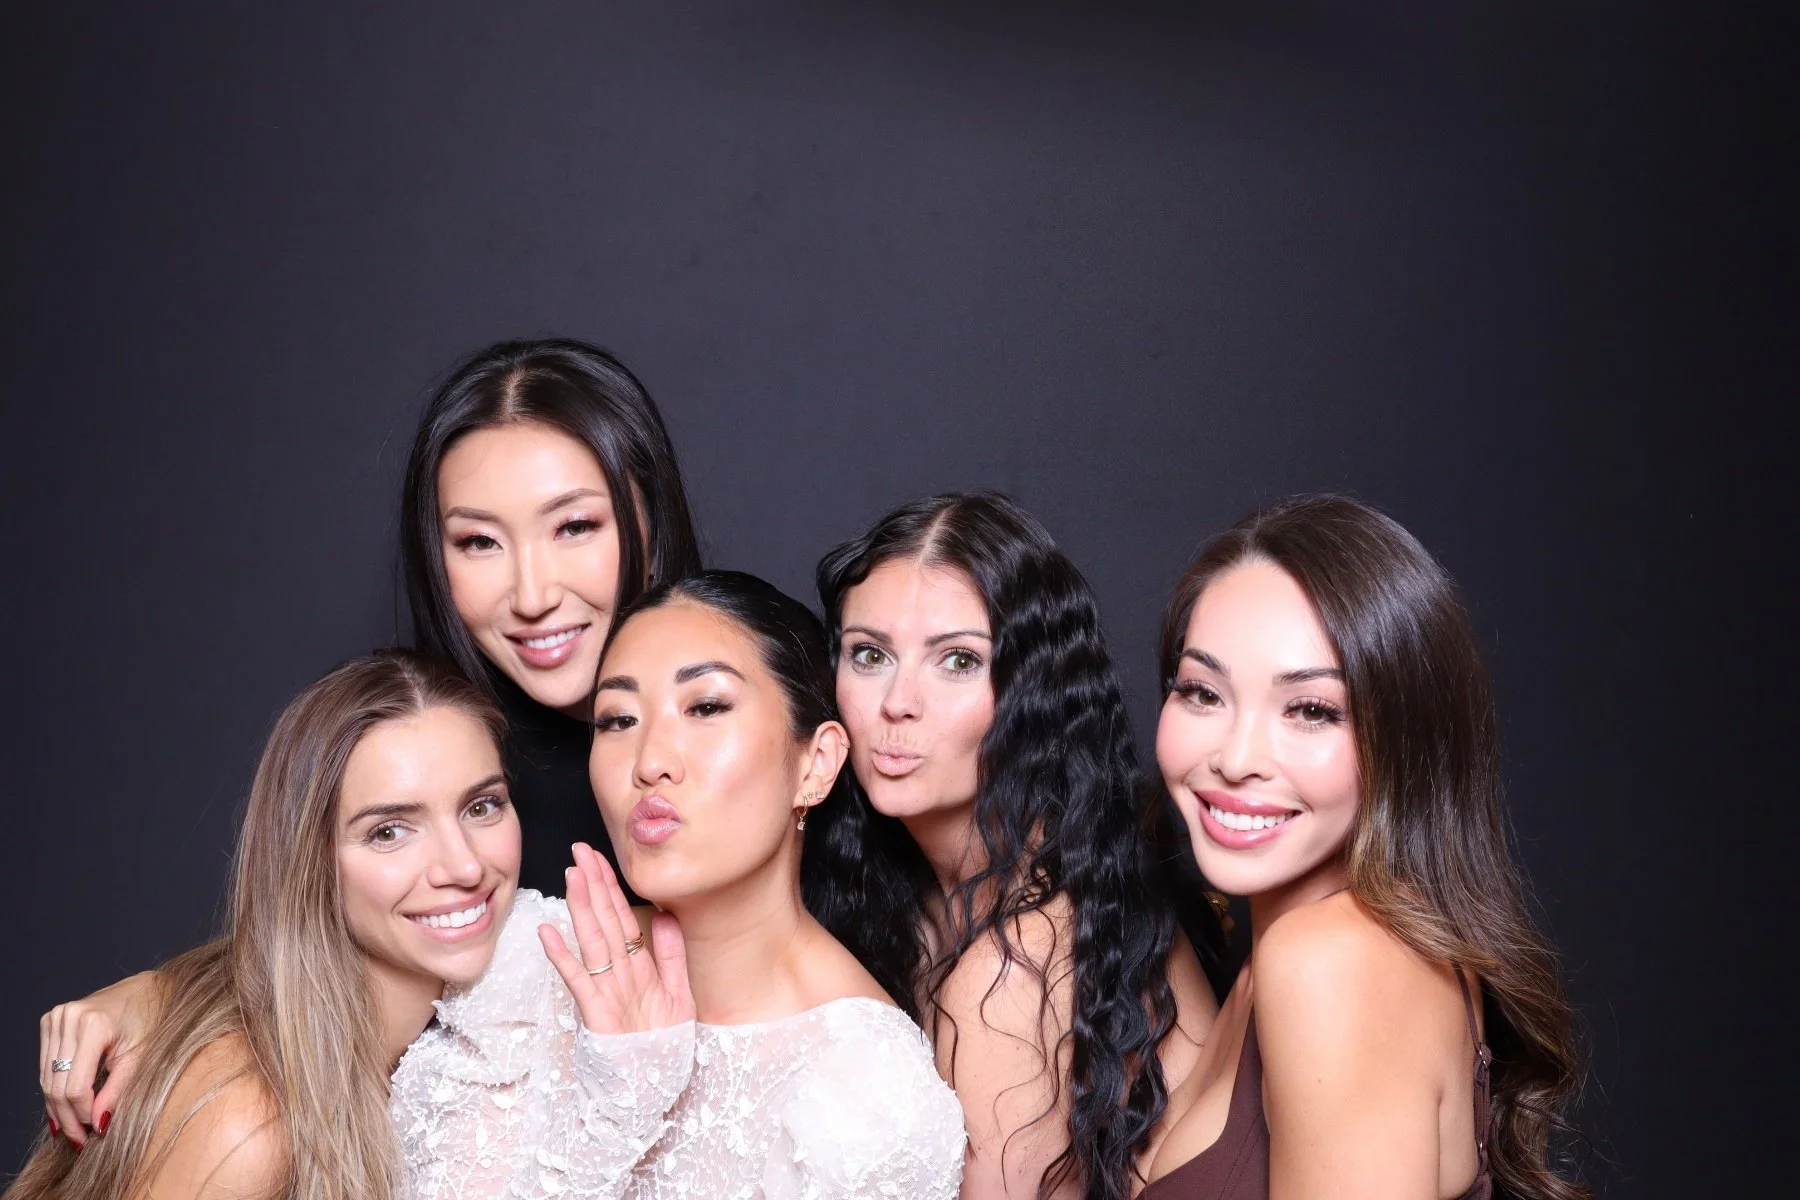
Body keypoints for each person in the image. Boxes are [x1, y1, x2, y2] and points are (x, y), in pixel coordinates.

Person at [40, 337, 705, 1146]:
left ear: (648, 513)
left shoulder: (758, 715)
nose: (533, 594)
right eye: (478, 543)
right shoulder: (444, 744)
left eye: (574, 526)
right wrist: (158, 994)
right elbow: (315, 932)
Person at [391, 570, 966, 1197]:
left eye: (706, 707)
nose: (649, 762)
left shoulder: (866, 1096)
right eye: (616, 719)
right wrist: (613, 1111)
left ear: (816, 763)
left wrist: (616, 1110)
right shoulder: (526, 964)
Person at [1141, 496, 1587, 1200]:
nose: (1237, 756)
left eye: (1311, 709)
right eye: (1202, 692)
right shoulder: (1288, 951)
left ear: (1404, 740)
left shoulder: (1330, 960)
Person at [811, 493, 1222, 1200]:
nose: (897, 702)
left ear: (1032, 692)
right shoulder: (904, 896)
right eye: (870, 655)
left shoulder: (1012, 973)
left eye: (959, 661)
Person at [11, 652, 523, 1200]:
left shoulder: (467, 1009)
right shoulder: (251, 1124)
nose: (465, 867)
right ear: (310, 863)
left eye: (482, 807)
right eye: (390, 832)